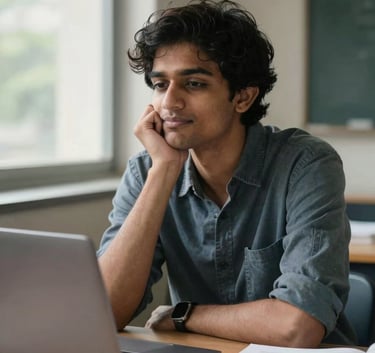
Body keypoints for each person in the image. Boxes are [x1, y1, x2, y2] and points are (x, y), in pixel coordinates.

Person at [97, 0, 355, 348]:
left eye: (194, 84)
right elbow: (102, 312)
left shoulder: (305, 164)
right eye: (160, 85)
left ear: (243, 97)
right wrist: (164, 170)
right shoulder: (147, 170)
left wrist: (183, 315)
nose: (169, 103)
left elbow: (298, 325)